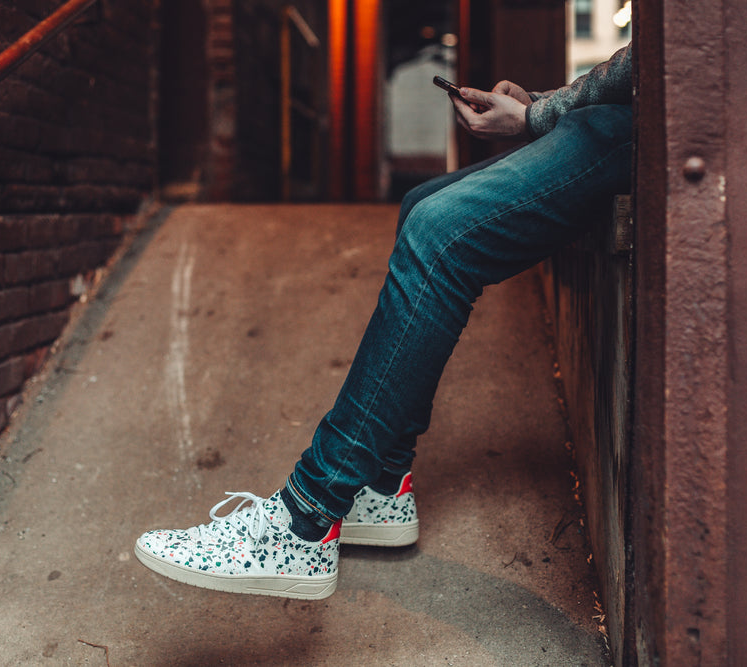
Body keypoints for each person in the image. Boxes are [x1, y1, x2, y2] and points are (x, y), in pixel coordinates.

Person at [134, 44, 633, 600]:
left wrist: (535, 117)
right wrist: (541, 105)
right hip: (609, 118)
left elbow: (668, 58)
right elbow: (643, 58)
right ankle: (382, 482)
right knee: (422, 203)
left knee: (439, 233)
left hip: (635, 129)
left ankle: (305, 519)